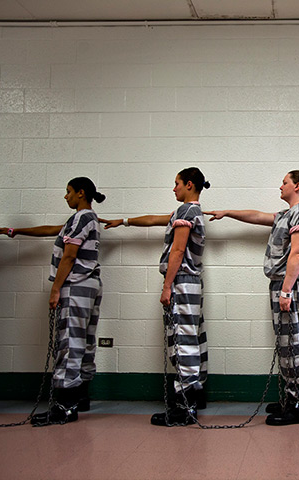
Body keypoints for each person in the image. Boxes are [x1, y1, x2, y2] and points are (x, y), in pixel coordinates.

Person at [206, 170, 299, 426]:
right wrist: (227, 212)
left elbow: (298, 254)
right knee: (287, 345)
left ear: (297, 186)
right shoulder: (286, 214)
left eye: (284, 182)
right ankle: (291, 397)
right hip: (284, 285)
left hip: (293, 286)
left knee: (295, 345)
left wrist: (287, 290)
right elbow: (257, 216)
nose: (280, 186)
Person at [102, 167, 210, 427]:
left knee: (183, 342)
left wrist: (167, 286)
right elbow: (154, 220)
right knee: (193, 338)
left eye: (176, 184)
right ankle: (194, 397)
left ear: (189, 184)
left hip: (182, 282)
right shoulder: (189, 211)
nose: (173, 188)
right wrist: (125, 221)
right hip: (191, 282)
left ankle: (184, 408)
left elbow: (178, 248)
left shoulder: (186, 211)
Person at [0, 177, 105, 425]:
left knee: (69, 341)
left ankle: (64, 407)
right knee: (84, 341)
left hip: (75, 285)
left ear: (80, 193)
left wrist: (55, 289)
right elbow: (51, 230)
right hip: (89, 285)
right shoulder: (88, 218)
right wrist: (15, 231)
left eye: (68, 192)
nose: (65, 196)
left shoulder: (80, 218)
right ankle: (79, 398)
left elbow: (69, 256)